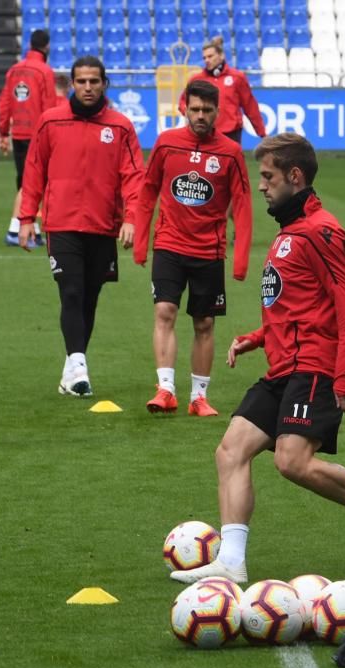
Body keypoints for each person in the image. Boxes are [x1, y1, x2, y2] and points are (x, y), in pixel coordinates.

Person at [169, 133, 345, 585]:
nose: (261, 185)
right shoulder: (291, 232)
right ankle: (232, 562)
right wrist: (259, 337)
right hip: (283, 367)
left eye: (268, 176)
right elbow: (300, 303)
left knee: (291, 462)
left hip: (314, 367)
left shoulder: (322, 230)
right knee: (230, 451)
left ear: (294, 177)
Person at [18, 56, 144, 397]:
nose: (88, 87)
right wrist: (27, 217)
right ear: (72, 84)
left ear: (104, 84)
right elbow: (34, 171)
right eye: (81, 81)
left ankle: (71, 370)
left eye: (94, 81)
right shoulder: (50, 122)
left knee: (89, 299)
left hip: (103, 226)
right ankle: (79, 368)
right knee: (70, 292)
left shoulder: (120, 126)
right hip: (61, 223)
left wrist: (132, 218)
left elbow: (134, 177)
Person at [134, 79, 253, 417]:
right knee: (164, 312)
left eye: (207, 110)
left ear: (218, 111)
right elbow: (148, 191)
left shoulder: (230, 152)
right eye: (195, 109)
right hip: (169, 245)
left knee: (204, 323)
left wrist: (240, 260)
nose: (200, 116)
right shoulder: (166, 143)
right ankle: (166, 389)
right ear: (184, 107)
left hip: (209, 252)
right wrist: (141, 243)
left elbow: (242, 205)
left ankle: (199, 397)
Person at [0, 29, 57, 249]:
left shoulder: (13, 70)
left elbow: (4, 103)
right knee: (32, 183)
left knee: (25, 180)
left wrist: (3, 132)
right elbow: (49, 107)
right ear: (47, 46)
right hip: (38, 135)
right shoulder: (44, 71)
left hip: (19, 133)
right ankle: (15, 229)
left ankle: (32, 230)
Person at [177, 36, 267, 145]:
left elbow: (250, 106)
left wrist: (262, 133)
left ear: (221, 55)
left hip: (231, 133)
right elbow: (183, 102)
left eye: (210, 56)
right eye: (204, 58)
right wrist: (192, 114)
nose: (207, 60)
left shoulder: (237, 77)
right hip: (205, 132)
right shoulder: (197, 79)